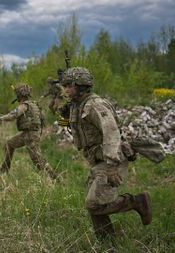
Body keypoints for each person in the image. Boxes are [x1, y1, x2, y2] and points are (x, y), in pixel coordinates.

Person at [60, 67, 152, 240]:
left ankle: (136, 202)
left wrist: (111, 167)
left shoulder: (95, 105)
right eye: (64, 85)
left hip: (111, 159)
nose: (65, 89)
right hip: (97, 161)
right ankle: (107, 243)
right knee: (95, 204)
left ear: (80, 86)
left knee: (94, 203)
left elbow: (111, 134)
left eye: (69, 85)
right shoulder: (78, 105)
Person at [0, 83, 57, 180]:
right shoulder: (34, 104)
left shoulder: (24, 105)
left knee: (37, 160)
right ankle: (4, 168)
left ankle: (54, 179)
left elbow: (13, 115)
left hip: (31, 135)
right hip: (27, 134)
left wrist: (1, 118)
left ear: (19, 94)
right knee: (9, 143)